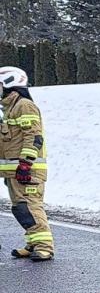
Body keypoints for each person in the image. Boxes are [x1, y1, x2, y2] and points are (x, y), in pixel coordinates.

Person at [0, 66, 53, 261]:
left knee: (30, 207)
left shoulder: (24, 105)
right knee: (21, 209)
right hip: (15, 171)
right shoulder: (10, 108)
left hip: (28, 170)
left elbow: (34, 136)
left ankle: (44, 247)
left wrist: (25, 164)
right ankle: (33, 243)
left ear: (9, 83)